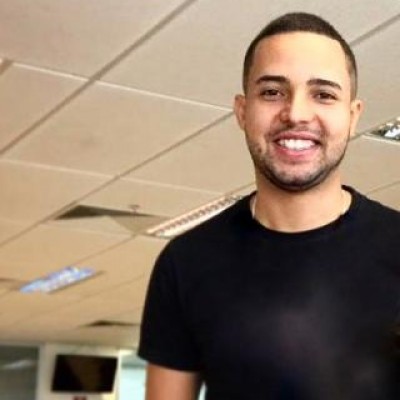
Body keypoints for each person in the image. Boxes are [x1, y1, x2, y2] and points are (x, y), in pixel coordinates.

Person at [138, 12, 400, 400]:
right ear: (242, 111)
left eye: (324, 94)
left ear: (352, 116)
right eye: (273, 92)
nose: (296, 113)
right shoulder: (186, 262)